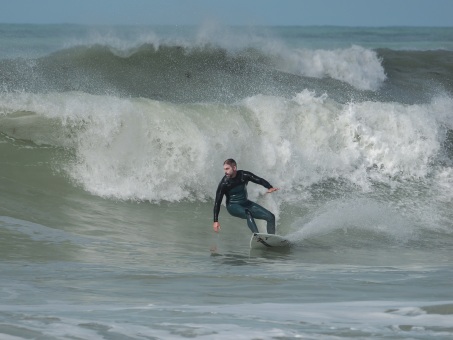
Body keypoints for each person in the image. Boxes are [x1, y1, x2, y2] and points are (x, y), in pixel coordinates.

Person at [213, 159, 279, 234]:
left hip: (245, 203)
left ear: (234, 168)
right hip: (232, 206)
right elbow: (217, 203)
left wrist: (269, 187)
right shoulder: (224, 183)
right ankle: (257, 236)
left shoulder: (243, 175)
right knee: (248, 213)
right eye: (224, 169)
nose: (225, 171)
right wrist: (216, 221)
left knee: (270, 217)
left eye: (227, 169)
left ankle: (271, 238)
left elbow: (258, 180)